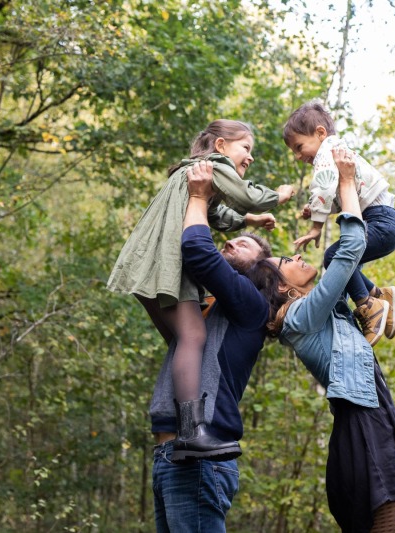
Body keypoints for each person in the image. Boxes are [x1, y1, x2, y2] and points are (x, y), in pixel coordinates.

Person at [108, 120, 294, 462]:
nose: (249, 158)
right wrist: (277, 196)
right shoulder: (215, 166)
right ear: (221, 146)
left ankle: (184, 429)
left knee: (185, 339)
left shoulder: (195, 173)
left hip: (144, 261)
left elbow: (216, 212)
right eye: (246, 148)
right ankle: (192, 432)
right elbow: (244, 195)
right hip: (166, 262)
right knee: (194, 336)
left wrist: (249, 223)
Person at [258, 148, 395, 532]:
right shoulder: (299, 318)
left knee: (390, 515)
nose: (296, 258)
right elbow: (347, 253)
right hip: (362, 416)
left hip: (370, 408)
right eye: (286, 263)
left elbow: (349, 269)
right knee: (389, 516)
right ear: (283, 288)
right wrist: (347, 184)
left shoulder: (321, 310)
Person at [150, 160, 278, 532]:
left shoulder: (250, 305)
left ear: (261, 268)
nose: (229, 242)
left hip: (199, 458)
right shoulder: (207, 312)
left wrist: (198, 195)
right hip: (170, 454)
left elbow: (197, 248)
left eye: (241, 245)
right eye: (231, 238)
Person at [283, 101, 395, 347]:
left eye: (299, 146)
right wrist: (322, 211)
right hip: (385, 221)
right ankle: (379, 295)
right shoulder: (337, 152)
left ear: (320, 133)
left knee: (334, 257)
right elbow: (340, 196)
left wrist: (316, 226)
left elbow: (323, 187)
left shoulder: (327, 152)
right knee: (347, 266)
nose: (297, 156)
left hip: (379, 221)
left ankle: (368, 306)